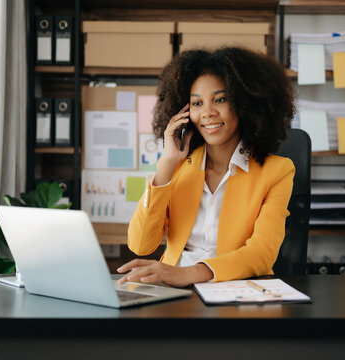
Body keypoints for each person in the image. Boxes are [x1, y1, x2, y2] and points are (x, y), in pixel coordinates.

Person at [117, 46, 296, 287]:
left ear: (245, 104)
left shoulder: (277, 172)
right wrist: (167, 164)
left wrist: (186, 273)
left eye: (220, 100)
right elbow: (140, 245)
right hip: (172, 290)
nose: (208, 113)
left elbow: (261, 253)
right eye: (197, 103)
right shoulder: (177, 167)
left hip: (234, 289)